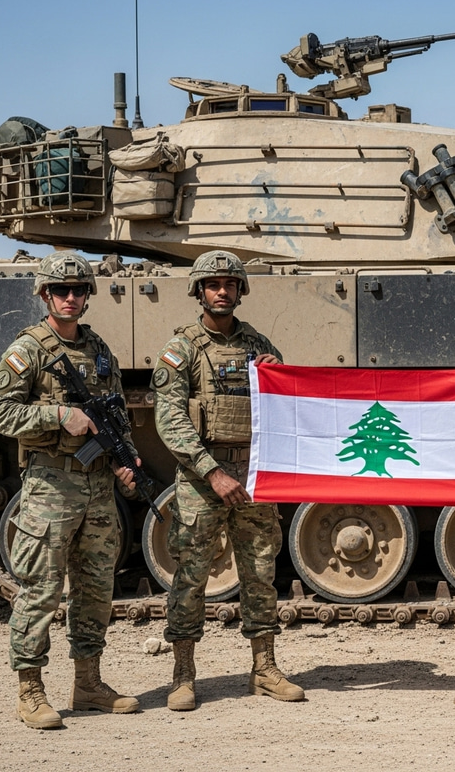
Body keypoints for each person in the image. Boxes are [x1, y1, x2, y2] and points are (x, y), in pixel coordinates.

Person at [0, 251, 140, 730]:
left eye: (78, 291)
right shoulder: (28, 350)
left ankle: (88, 683)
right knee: (41, 589)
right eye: (61, 291)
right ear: (44, 295)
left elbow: (114, 414)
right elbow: (2, 414)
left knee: (96, 588)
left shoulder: (97, 349)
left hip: (97, 488)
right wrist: (58, 415)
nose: (70, 298)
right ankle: (30, 690)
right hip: (50, 485)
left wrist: (125, 458)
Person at [152, 250, 303, 711]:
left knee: (260, 572)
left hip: (254, 477)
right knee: (192, 576)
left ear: (240, 291)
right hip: (204, 479)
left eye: (230, 284)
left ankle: (264, 668)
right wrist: (213, 473)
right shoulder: (183, 349)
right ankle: (183, 675)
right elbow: (170, 419)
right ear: (199, 291)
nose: (222, 291)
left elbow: (282, 409)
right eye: (213, 284)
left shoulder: (257, 346)